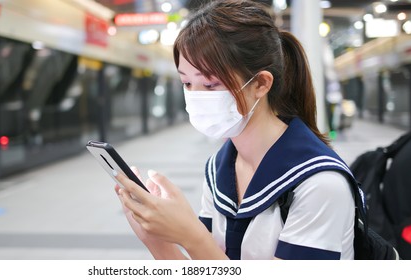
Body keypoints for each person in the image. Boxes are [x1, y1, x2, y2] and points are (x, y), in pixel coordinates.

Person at [113, 0, 355, 260]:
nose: (195, 96)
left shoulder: (319, 184)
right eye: (186, 82)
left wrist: (190, 235)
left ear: (261, 84)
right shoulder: (218, 168)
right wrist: (156, 239)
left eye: (210, 84)